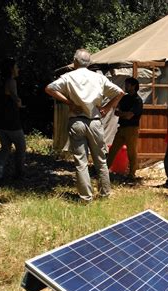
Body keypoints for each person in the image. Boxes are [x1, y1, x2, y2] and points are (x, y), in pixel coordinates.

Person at [45, 49, 124, 201]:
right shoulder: (99, 78)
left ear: (75, 61)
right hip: (95, 122)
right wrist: (107, 108)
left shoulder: (68, 76)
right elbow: (119, 92)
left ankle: (86, 197)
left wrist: (69, 103)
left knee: (81, 161)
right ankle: (105, 194)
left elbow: (49, 88)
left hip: (77, 121)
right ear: (88, 63)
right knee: (100, 160)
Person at [0, 57, 26, 181]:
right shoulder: (11, 81)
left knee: (5, 148)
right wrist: (19, 102)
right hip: (11, 121)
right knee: (21, 147)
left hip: (0, 120)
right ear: (11, 69)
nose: (18, 69)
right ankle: (19, 174)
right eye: (16, 66)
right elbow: (15, 98)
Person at [107, 77, 143, 180]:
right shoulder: (124, 98)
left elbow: (129, 115)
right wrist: (124, 114)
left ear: (133, 86)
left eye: (127, 85)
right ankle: (104, 171)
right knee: (113, 150)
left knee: (131, 152)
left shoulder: (138, 100)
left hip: (132, 128)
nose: (125, 86)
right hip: (122, 127)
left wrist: (122, 114)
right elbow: (116, 111)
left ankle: (132, 174)